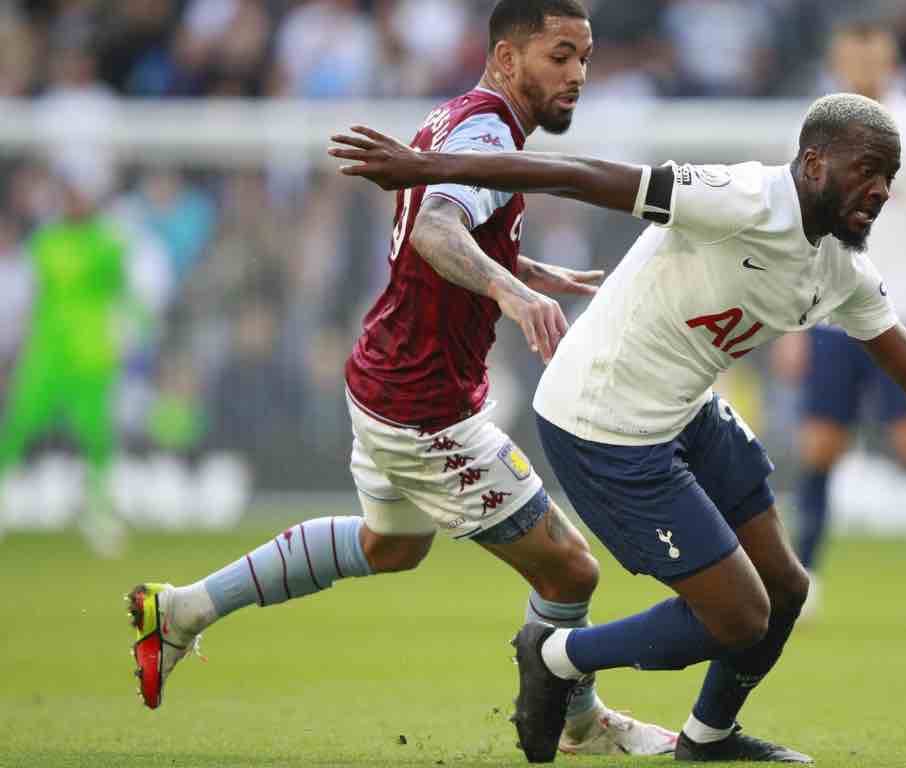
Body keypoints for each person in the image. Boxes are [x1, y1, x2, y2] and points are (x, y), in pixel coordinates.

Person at [329, 93, 906, 764]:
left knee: (785, 587)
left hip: (687, 410)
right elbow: (579, 175)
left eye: (891, 180)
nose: (882, 192)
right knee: (736, 615)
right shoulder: (743, 198)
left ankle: (706, 740)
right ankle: (556, 656)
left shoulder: (842, 270)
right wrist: (428, 169)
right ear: (814, 165)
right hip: (602, 421)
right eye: (868, 173)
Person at [128, 1, 676, 759]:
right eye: (560, 55)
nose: (577, 74)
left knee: (391, 547)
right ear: (509, 59)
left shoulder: (458, 114)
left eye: (584, 57)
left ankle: (183, 609)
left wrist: (528, 268)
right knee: (571, 569)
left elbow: (448, 232)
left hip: (383, 380)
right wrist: (515, 294)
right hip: (427, 409)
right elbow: (434, 230)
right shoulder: (487, 130)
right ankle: (582, 723)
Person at [780, 18, 906, 631]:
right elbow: (795, 229)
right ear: (839, 58)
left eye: (875, 54)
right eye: (854, 54)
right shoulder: (818, 131)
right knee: (819, 446)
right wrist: (789, 320)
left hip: (901, 314)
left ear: (890, 58)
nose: (865, 64)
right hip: (830, 314)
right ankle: (804, 580)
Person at [0, 162, 129, 558]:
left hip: (91, 355)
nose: (75, 200)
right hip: (46, 353)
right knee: (17, 427)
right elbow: (30, 297)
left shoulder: (108, 242)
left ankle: (97, 513)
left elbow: (121, 296)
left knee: (97, 439)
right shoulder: (45, 241)